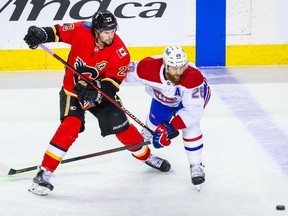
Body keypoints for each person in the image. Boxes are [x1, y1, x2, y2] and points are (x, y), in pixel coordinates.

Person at [23, 10, 170, 196]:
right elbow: (56, 31)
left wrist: (97, 89)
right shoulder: (81, 29)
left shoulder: (120, 52)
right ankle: (44, 173)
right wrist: (40, 34)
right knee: (71, 125)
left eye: (112, 31)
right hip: (73, 91)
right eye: (106, 32)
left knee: (123, 128)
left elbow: (113, 83)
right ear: (95, 30)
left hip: (100, 95)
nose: (110, 35)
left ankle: (148, 157)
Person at [125, 45, 211, 186]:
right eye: (174, 68)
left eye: (182, 67)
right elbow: (122, 72)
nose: (178, 72)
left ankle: (196, 165)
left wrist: (170, 127)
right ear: (165, 65)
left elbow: (193, 112)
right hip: (162, 99)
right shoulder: (148, 68)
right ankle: (148, 135)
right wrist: (105, 83)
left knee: (191, 128)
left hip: (187, 103)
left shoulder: (193, 78)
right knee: (153, 126)